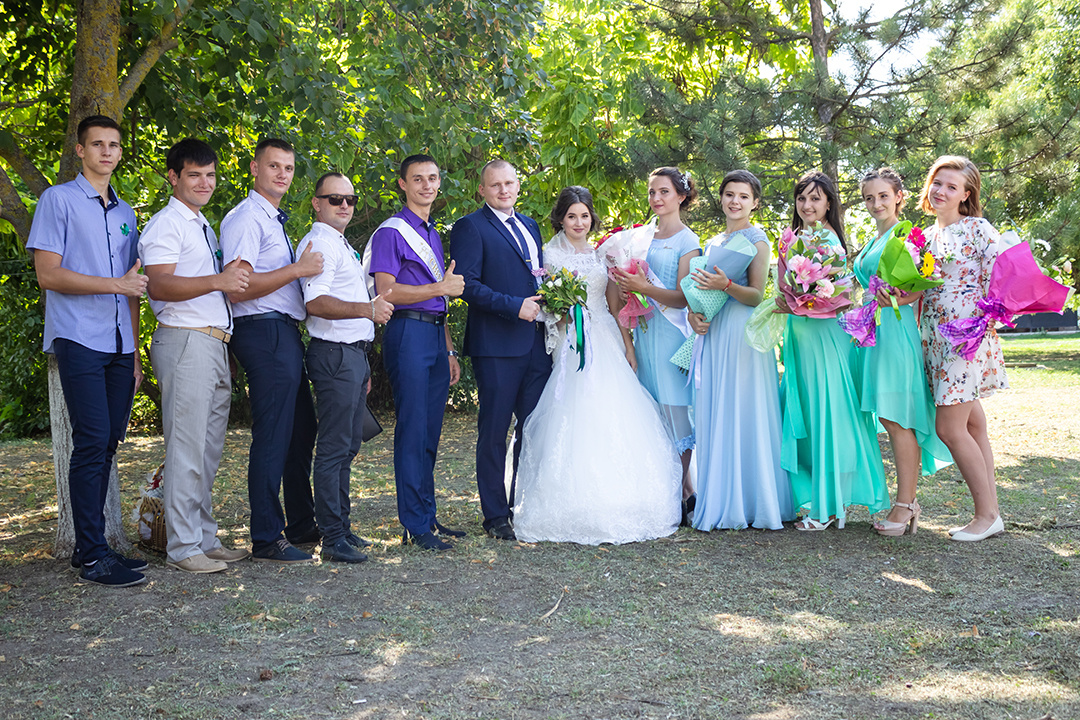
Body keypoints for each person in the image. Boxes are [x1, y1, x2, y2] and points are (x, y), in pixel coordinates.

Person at [513, 186, 681, 544]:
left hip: (604, 334)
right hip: (571, 339)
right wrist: (559, 314)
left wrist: (627, 344)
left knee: (613, 410)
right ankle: (569, 501)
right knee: (573, 411)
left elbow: (614, 300)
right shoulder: (549, 256)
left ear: (592, 218)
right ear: (560, 218)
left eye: (585, 216)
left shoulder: (602, 254)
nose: (578, 222)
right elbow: (544, 304)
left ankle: (624, 497)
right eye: (571, 216)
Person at [27, 115, 149, 586]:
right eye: (97, 144)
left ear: (120, 153)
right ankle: (96, 556)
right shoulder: (56, 200)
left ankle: (89, 548)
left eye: (114, 145)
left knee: (109, 443)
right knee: (92, 440)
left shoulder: (126, 213)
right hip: (78, 337)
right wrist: (113, 283)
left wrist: (136, 354)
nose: (106, 152)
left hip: (120, 344)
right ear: (80, 151)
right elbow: (48, 275)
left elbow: (134, 287)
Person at [141, 138, 252, 573]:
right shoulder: (167, 224)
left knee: (206, 451)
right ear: (173, 177)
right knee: (187, 448)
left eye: (210, 175)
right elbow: (160, 285)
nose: (204, 182)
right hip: (185, 339)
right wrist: (219, 281)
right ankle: (183, 548)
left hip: (211, 342)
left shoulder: (200, 224)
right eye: (194, 175)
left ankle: (204, 538)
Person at [220, 138, 322, 564]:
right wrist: (298, 269)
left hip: (284, 332)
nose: (282, 174)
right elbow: (238, 287)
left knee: (301, 432)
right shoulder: (247, 217)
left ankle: (301, 524)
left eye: (289, 168)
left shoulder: (272, 219)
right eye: (274, 166)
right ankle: (266, 536)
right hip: (262, 332)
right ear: (253, 168)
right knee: (275, 435)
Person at [774, 171, 888, 530]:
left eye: (816, 199)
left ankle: (829, 506)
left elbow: (838, 300)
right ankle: (815, 501)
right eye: (802, 199)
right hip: (800, 335)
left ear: (828, 204)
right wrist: (788, 300)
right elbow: (782, 286)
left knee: (829, 416)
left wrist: (802, 301)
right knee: (805, 412)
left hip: (825, 336)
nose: (807, 205)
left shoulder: (830, 243)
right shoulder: (792, 238)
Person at [449, 159, 552, 541]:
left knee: (534, 429)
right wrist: (514, 305)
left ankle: (524, 505)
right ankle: (495, 515)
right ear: (482, 190)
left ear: (518, 185)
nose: (503, 190)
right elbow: (466, 285)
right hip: (495, 346)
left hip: (536, 345)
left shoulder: (531, 225)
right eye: (495, 185)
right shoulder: (470, 227)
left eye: (509, 183)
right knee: (494, 431)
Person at [686, 170, 793, 530]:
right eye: (729, 194)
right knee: (719, 407)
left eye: (743, 196)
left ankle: (752, 499)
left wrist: (726, 283)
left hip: (742, 333)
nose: (735, 201)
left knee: (743, 407)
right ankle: (720, 496)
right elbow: (700, 288)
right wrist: (694, 313)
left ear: (755, 202)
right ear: (721, 198)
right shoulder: (714, 239)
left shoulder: (758, 239)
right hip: (714, 330)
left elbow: (757, 294)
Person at [369, 155, 465, 551]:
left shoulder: (430, 232)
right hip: (406, 333)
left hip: (433, 338)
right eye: (418, 179)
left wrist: (448, 349)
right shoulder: (392, 232)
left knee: (430, 432)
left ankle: (427, 516)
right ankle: (414, 524)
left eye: (433, 178)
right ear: (402, 184)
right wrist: (438, 290)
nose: (427, 185)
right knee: (411, 430)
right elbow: (386, 290)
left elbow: (438, 297)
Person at [855, 168, 952, 537]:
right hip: (872, 332)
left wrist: (896, 296)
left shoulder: (906, 235)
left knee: (897, 419)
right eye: (868, 197)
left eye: (883, 196)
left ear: (899, 196)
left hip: (894, 331)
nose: (876, 203)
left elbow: (918, 286)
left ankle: (906, 503)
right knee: (887, 418)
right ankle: (904, 502)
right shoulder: (872, 238)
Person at [302, 173, 394, 563]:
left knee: (348, 445)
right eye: (335, 198)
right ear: (316, 203)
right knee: (335, 448)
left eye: (350, 199)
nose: (344, 205)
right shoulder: (320, 242)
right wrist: (368, 311)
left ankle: (342, 526)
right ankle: (332, 535)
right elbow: (316, 302)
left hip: (351, 354)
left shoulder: (340, 243)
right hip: (334, 353)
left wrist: (363, 359)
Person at [917, 156, 1008, 542]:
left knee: (950, 427)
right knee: (972, 424)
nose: (941, 191)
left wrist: (987, 318)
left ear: (965, 195)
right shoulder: (924, 236)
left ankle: (985, 516)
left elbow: (1004, 274)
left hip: (965, 340)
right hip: (935, 338)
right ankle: (994, 512)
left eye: (951, 187)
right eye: (937, 183)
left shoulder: (977, 228)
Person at [611, 166, 699, 518]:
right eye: (652, 192)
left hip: (671, 334)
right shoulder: (641, 237)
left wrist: (644, 288)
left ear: (681, 196)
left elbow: (683, 297)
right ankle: (675, 491)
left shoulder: (688, 241)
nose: (656, 199)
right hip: (644, 333)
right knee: (651, 412)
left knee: (675, 411)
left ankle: (681, 491)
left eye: (664, 192)